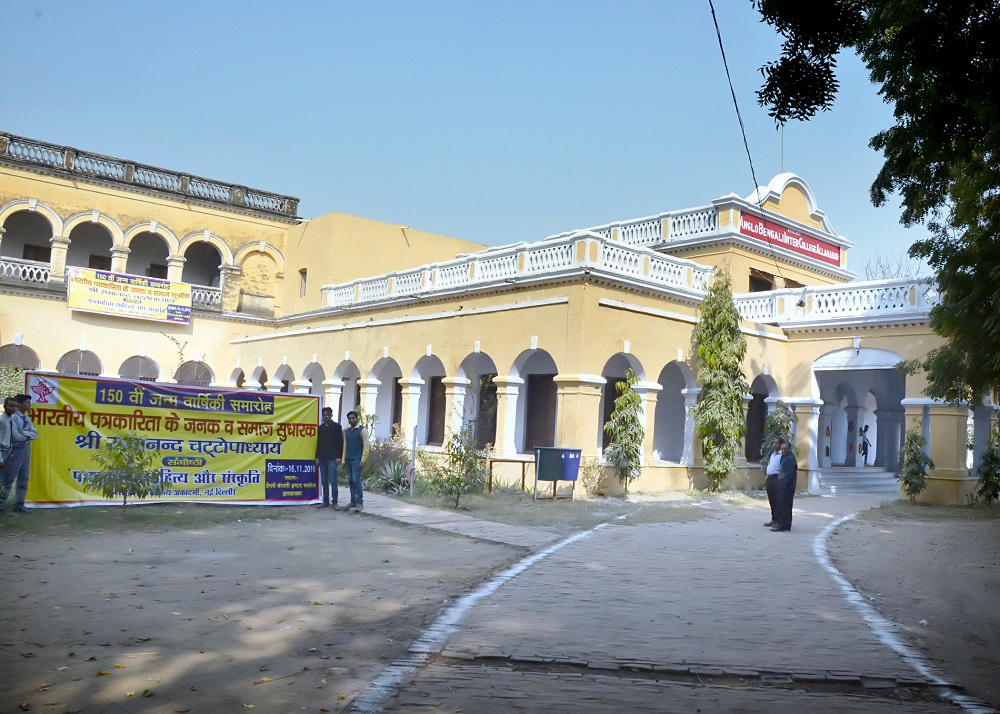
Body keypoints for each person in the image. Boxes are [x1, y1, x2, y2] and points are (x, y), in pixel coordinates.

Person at [0, 394, 39, 513]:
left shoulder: (26, 418)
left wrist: (25, 434)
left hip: (25, 449)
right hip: (15, 450)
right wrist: (27, 436)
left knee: (24, 478)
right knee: (9, 479)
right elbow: (15, 436)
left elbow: (35, 434)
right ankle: (1, 505)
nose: (29, 405)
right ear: (20, 404)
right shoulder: (13, 418)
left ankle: (19, 504)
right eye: (27, 403)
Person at [315, 407, 344, 508]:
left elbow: (340, 443)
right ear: (322, 416)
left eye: (328, 414)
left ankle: (335, 502)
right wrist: (317, 457)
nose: (326, 416)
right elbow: (318, 443)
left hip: (333, 458)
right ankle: (325, 501)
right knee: (324, 480)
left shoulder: (337, 427)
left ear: (331, 415)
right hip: (322, 458)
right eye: (324, 415)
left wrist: (339, 457)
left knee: (333, 480)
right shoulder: (320, 428)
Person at [342, 410, 369, 511]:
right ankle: (353, 501)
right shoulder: (347, 432)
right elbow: (345, 446)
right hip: (348, 459)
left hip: (357, 459)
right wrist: (343, 460)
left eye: (353, 418)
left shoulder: (362, 430)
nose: (351, 420)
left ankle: (359, 502)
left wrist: (363, 460)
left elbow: (366, 446)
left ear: (357, 419)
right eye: (349, 419)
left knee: (356, 480)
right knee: (350, 480)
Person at [771, 441, 797, 532]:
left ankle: (782, 525)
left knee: (785, 506)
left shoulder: (790, 458)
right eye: (782, 449)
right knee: (783, 506)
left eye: (785, 449)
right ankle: (784, 525)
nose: (783, 450)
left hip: (787, 486)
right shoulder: (785, 456)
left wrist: (783, 485)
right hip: (783, 485)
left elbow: (789, 474)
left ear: (789, 449)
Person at [763, 438, 783, 527]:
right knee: (771, 499)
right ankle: (774, 519)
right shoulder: (773, 454)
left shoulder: (782, 455)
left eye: (777, 443)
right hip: (770, 478)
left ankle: (779, 520)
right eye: (773, 443)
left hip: (777, 478)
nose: (774, 444)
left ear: (781, 445)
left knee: (778, 500)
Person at [0, 397, 18, 484]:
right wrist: (0, 459)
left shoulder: (11, 419)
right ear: (4, 406)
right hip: (2, 451)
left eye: (16, 406)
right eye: (11, 406)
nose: (14, 408)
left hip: (9, 451)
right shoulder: (1, 420)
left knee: (5, 479)